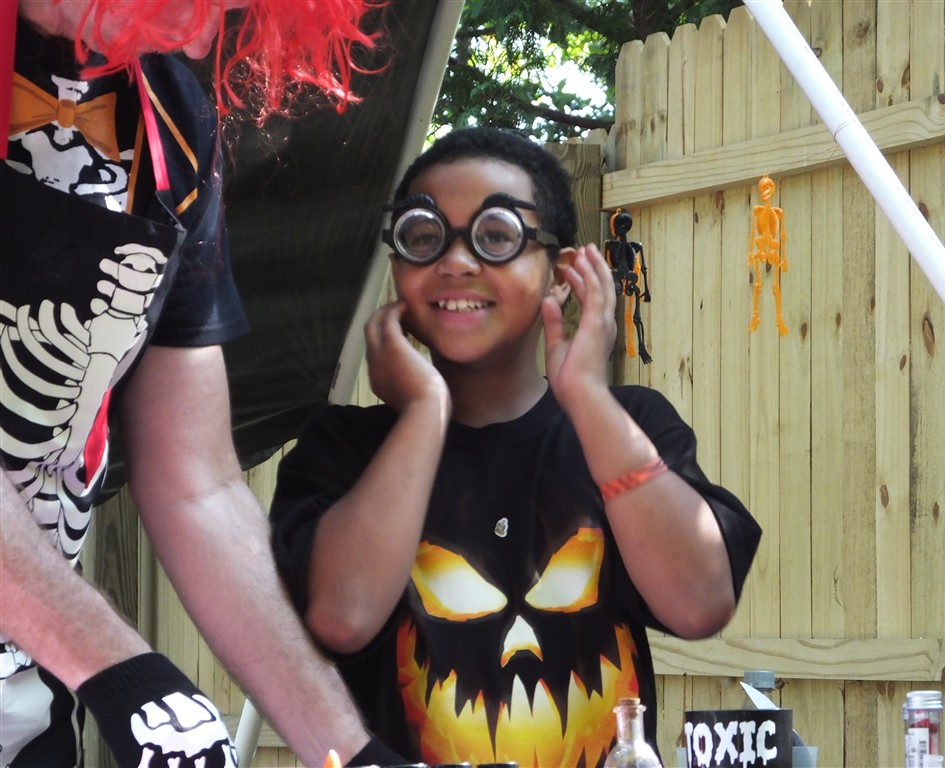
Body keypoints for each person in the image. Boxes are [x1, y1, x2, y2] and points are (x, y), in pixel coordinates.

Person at [269, 127, 763, 767]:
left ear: (560, 274)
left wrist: (586, 396)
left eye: (496, 236)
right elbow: (343, 617)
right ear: (396, 270)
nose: (456, 261)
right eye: (423, 236)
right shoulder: (344, 448)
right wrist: (424, 412)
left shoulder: (627, 425)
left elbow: (699, 605)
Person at [0, 1, 407, 766]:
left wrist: (353, 753)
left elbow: (198, 484)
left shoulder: (171, 115)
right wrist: (123, 671)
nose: (206, 34)